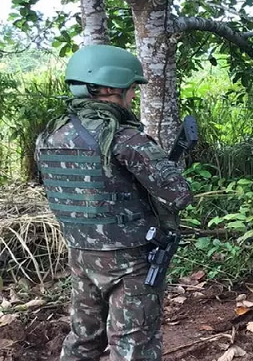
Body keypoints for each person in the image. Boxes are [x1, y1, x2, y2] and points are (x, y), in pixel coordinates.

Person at [35, 44, 192, 361]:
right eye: (131, 88)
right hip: (129, 261)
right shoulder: (123, 138)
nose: (133, 96)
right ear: (108, 87)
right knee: (132, 346)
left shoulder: (49, 136)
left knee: (82, 341)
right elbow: (178, 195)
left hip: (80, 255)